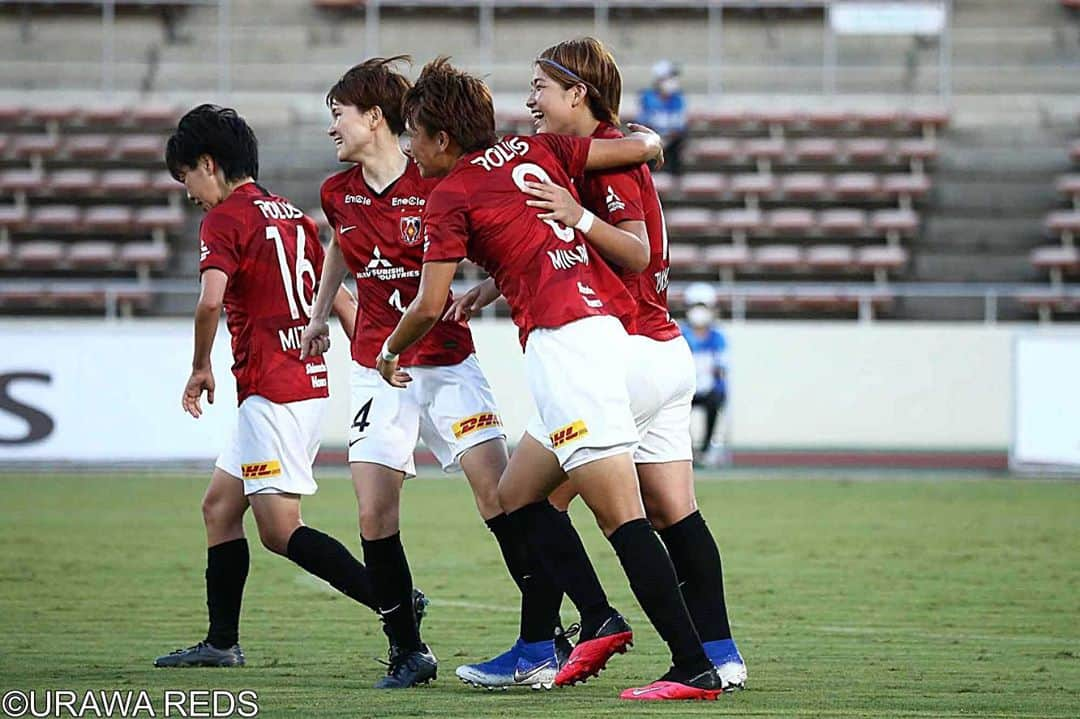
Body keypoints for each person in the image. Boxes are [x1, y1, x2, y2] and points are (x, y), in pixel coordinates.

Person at [377, 57, 723, 701]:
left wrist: (390, 352)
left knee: (624, 519)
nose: (407, 147)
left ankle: (692, 665)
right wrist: (648, 140)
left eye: (412, 134)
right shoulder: (536, 147)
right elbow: (632, 149)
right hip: (602, 334)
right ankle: (597, 617)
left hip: (569, 350)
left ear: (442, 139)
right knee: (518, 495)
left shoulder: (449, 193)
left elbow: (427, 304)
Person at [298, 57, 563, 689]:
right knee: (373, 515)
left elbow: (512, 238)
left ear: (374, 118)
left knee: (501, 497)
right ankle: (407, 649)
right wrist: (317, 315)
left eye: (339, 114)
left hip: (447, 360)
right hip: (375, 368)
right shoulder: (338, 193)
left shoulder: (438, 178)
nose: (332, 127)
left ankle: (544, 632)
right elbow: (340, 242)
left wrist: (491, 290)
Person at [154, 104, 382, 669]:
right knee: (218, 509)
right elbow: (340, 295)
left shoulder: (225, 219)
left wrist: (200, 365)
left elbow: (210, 300)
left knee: (279, 530)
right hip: (301, 381)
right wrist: (373, 355)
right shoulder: (291, 215)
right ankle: (221, 643)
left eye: (186, 178)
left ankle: (394, 601)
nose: (189, 194)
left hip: (272, 386)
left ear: (208, 164)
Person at [681, 282, 729, 465]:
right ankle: (685, 449)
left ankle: (707, 450)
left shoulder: (718, 336)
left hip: (708, 389)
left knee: (717, 398)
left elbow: (722, 369)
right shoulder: (680, 333)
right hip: (686, 388)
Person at [638, 60, 687, 176]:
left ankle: (675, 177)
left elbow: (679, 126)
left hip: (671, 141)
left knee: (679, 143)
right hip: (653, 139)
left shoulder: (678, 98)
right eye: (669, 78)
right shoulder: (647, 97)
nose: (673, 81)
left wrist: (666, 139)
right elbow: (643, 123)